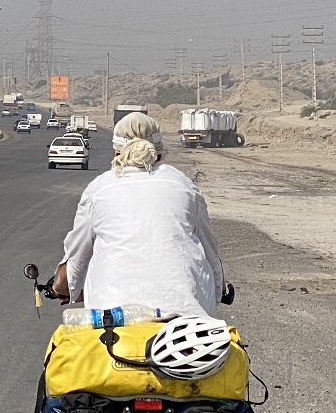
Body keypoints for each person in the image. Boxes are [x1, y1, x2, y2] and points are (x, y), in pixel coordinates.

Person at [52, 112, 225, 319]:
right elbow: (211, 254)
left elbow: (75, 262)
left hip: (113, 321)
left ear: (116, 153)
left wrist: (60, 286)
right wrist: (219, 289)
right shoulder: (184, 185)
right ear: (159, 154)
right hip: (186, 323)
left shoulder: (99, 189)